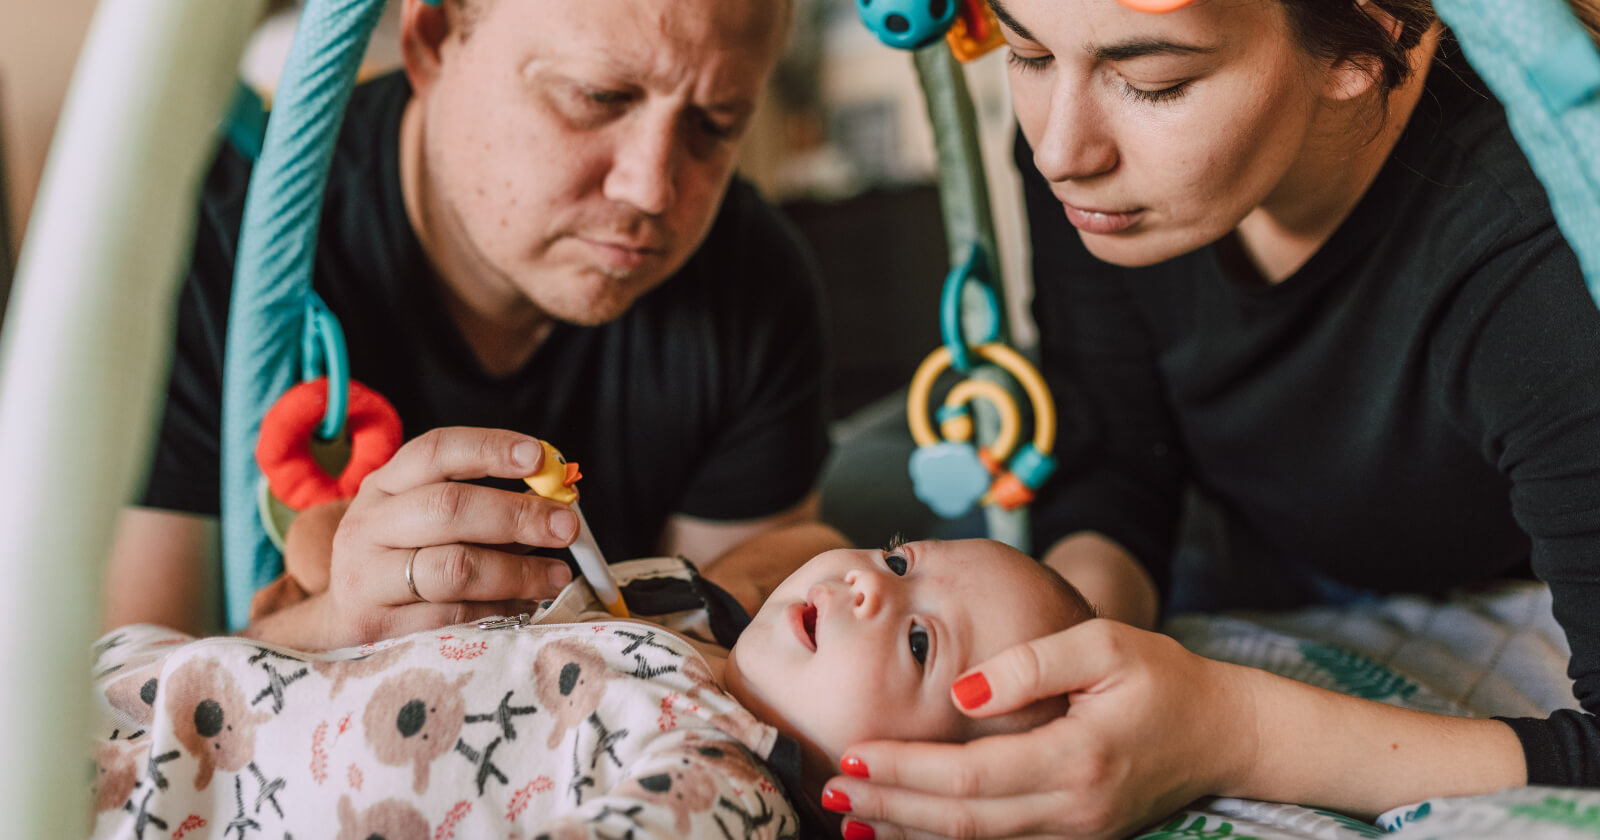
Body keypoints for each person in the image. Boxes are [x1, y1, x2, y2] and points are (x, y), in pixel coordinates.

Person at [813, 1, 1600, 838]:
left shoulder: (1547, 261)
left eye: (1155, 83)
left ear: (1372, 35)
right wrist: (1057, 661)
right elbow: (1117, 442)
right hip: (1234, 512)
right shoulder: (1098, 166)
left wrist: (1231, 732)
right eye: (1027, 51)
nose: (1058, 152)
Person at [105, 0, 847, 649]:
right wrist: (321, 634)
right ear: (431, 39)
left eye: (715, 126)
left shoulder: (753, 284)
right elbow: (116, 727)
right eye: (597, 96)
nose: (652, 187)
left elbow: (733, 663)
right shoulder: (212, 256)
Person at [86, 538, 1094, 838]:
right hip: (158, 691)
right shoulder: (682, 623)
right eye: (900, 556)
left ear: (916, 799)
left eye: (919, 642)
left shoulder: (725, 786)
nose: (868, 583)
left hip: (182, 809)